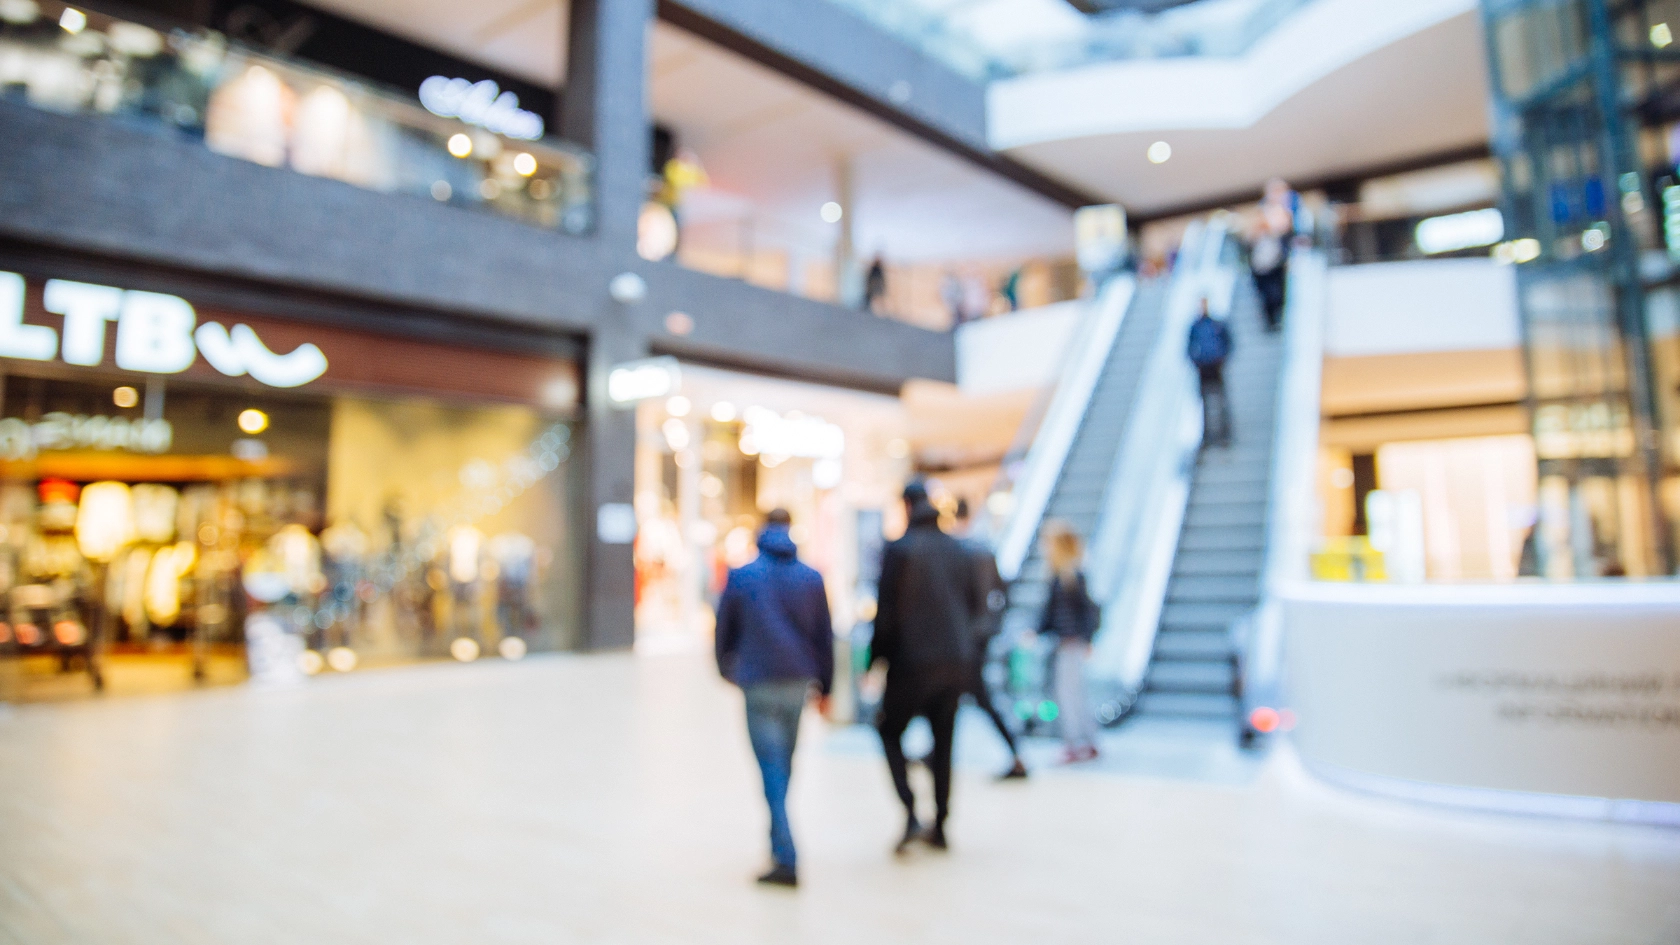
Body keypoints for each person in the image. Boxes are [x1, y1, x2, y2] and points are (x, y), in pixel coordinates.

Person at [714, 508, 835, 889]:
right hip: (797, 683)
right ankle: (778, 841)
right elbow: (824, 637)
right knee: (783, 762)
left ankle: (785, 853)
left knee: (771, 766)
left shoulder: (742, 575)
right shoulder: (811, 578)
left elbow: (723, 631)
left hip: (759, 682)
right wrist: (826, 687)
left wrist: (726, 669)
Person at [871, 481, 985, 854]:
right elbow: (973, 607)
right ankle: (942, 822)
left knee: (889, 730)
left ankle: (909, 810)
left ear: (906, 505)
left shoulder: (900, 550)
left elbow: (885, 613)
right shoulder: (959, 549)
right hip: (955, 661)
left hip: (912, 662)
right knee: (944, 741)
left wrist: (875, 660)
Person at [951, 498, 1027, 780]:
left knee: (977, 696)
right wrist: (993, 624)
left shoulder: (961, 551)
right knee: (958, 694)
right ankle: (935, 750)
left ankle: (1016, 753)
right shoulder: (984, 548)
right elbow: (1001, 589)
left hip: (966, 638)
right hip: (980, 635)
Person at [1038, 521, 1099, 763]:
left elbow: (1088, 611)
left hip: (1072, 643)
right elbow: (1050, 613)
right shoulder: (1061, 576)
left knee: (1068, 694)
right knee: (1075, 694)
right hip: (1066, 642)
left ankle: (1075, 743)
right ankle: (1087, 740)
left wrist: (1087, 638)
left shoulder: (1072, 576)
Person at [1187, 299, 1234, 448]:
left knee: (1220, 400)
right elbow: (1189, 346)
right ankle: (1207, 434)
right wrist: (1197, 361)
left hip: (1216, 366)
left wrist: (1221, 357)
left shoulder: (1216, 325)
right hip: (1203, 368)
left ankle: (1224, 431)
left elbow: (1228, 342)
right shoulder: (1196, 326)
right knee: (1204, 402)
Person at [1251, 178, 1293, 331]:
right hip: (1264, 262)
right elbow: (1256, 233)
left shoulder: (1288, 209)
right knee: (1268, 294)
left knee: (1278, 293)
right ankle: (1271, 322)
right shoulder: (1264, 210)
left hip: (1277, 261)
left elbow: (1285, 231)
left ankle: (1277, 319)